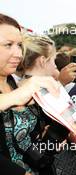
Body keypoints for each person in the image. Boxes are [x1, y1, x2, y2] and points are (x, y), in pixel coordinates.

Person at [0, 13, 61, 175]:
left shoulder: (13, 83)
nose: (18, 54)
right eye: (8, 45)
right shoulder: (20, 90)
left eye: (19, 45)